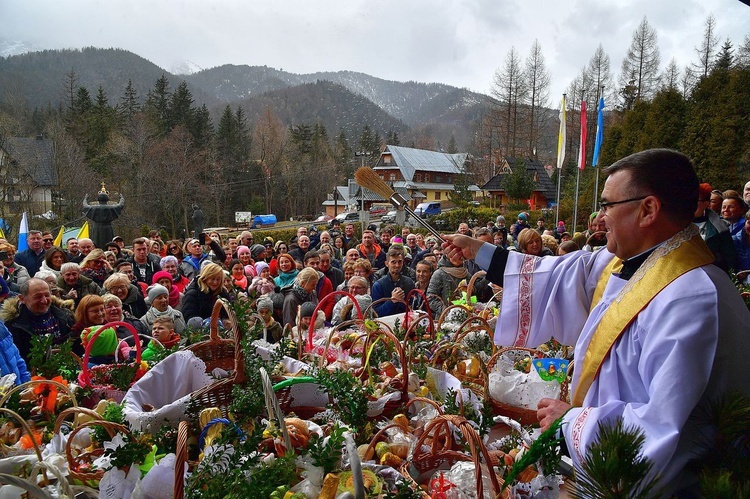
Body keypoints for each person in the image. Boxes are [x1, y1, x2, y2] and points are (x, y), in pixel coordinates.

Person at [441, 149, 750, 494]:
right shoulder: (629, 260)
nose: (600, 219)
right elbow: (557, 274)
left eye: (607, 205)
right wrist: (477, 250)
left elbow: (662, 429)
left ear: (648, 209)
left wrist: (571, 420)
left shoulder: (690, 297)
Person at [1, 277, 77, 362]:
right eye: (37, 297)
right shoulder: (13, 325)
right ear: (22, 299)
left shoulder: (65, 315)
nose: (44, 300)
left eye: (47, 295)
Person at [693, 182, 735, 272]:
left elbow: (729, 257)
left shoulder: (720, 228)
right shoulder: (676, 223)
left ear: (706, 203)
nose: (690, 203)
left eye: (695, 200)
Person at [371, 246, 414, 316]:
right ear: (387, 264)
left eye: (399, 262)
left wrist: (402, 301)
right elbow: (376, 312)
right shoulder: (378, 285)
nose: (397, 265)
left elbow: (412, 308)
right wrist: (392, 300)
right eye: (393, 262)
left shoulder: (409, 282)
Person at [0, 321, 31, 385]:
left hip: (17, 388)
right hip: (4, 393)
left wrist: (25, 383)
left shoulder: (2, 328)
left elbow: (17, 358)